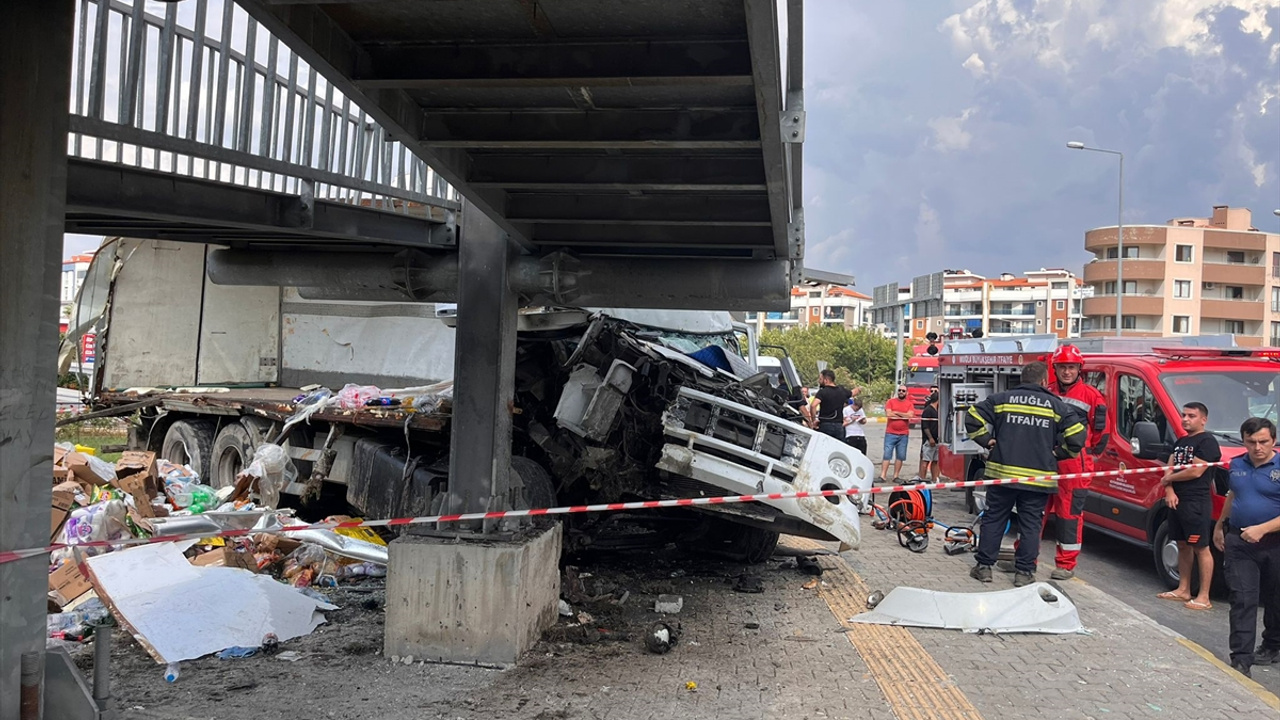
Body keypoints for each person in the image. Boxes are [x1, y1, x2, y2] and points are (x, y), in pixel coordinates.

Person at [966, 361, 1086, 587]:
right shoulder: (1056, 405)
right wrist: (1058, 454)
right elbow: (1077, 437)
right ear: (1044, 382)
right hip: (1037, 479)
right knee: (1030, 524)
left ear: (1022, 379)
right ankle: (1024, 573)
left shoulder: (1001, 399)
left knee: (994, 520)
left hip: (1002, 474)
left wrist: (987, 441)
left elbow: (973, 416)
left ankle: (984, 568)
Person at [1015, 344, 1107, 581]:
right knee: (1033, 512)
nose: (1067, 372)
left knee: (1069, 516)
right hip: (1045, 461)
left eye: (1071, 367)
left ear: (1079, 369)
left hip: (1074, 465)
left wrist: (1086, 455)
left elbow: (1101, 434)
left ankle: (1065, 564)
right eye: (1063, 367)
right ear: (1054, 369)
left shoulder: (1091, 395)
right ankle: (1025, 558)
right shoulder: (1046, 391)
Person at [1214, 416, 1280, 678]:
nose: (1257, 447)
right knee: (1242, 599)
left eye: (1263, 442)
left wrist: (1263, 529)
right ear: (1244, 441)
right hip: (1240, 543)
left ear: (1273, 440)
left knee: (1275, 600)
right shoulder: (1236, 464)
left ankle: (1273, 644)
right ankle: (1241, 659)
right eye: (1251, 442)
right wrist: (1220, 525)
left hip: (1274, 543)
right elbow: (1233, 495)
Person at [1155, 402, 1221, 612]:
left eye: (1191, 415)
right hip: (1177, 501)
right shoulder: (1181, 441)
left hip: (1196, 502)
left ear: (1203, 419)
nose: (1185, 419)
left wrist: (1168, 480)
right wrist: (1169, 489)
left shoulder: (1207, 441)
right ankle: (1183, 589)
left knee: (1200, 547)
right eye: (1183, 415)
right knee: (1182, 544)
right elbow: (1170, 465)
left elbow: (1195, 471)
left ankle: (1204, 596)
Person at [879, 385, 914, 482]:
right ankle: (883, 476)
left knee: (900, 456)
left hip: (903, 435)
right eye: (899, 390)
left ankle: (896, 476)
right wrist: (903, 415)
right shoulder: (890, 402)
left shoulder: (909, 404)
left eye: (903, 390)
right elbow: (889, 414)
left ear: (906, 392)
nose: (901, 392)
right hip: (890, 433)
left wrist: (896, 412)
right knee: (887, 454)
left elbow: (910, 415)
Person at [812, 369, 852, 440]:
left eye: (820, 379)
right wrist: (859, 389)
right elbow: (852, 392)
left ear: (826, 380)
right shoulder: (841, 390)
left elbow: (813, 405)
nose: (819, 381)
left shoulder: (822, 392)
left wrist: (814, 419)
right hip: (839, 425)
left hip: (825, 425)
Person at [918, 391, 940, 481]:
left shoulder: (938, 411)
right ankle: (922, 479)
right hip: (929, 441)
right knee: (925, 461)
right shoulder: (928, 410)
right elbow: (925, 426)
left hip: (937, 440)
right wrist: (930, 438)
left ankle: (934, 479)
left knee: (935, 461)